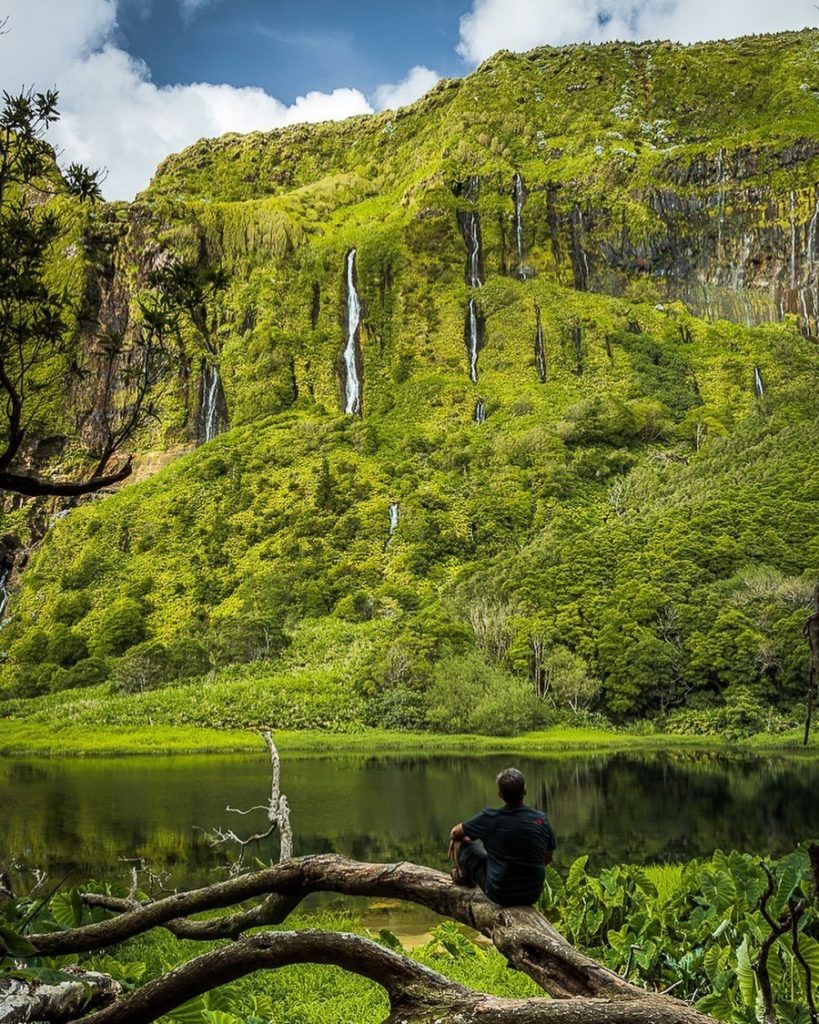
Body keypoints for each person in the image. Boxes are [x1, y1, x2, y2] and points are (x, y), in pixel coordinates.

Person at [448, 767, 556, 907]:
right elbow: (547, 858)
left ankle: (463, 877)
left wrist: (455, 839)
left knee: (460, 841)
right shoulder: (540, 820)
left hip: (500, 894)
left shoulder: (490, 818)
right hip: (532, 894)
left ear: (499, 794)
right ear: (525, 791)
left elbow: (455, 832)